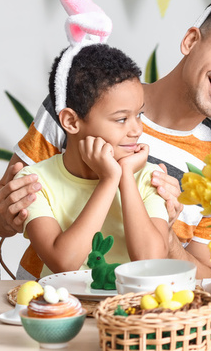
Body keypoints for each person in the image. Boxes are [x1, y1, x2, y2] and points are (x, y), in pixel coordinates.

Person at [0, 0, 211, 278]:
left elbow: (209, 278)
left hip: (140, 322)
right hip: (41, 308)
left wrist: (165, 235)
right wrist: (9, 213)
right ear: (191, 41)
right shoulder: (85, 102)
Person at [19, 39, 169, 277]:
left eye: (139, 114)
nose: (136, 130)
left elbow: (151, 261)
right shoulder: (35, 181)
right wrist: (109, 181)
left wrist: (126, 177)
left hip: (129, 312)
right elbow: (64, 263)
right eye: (121, 119)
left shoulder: (149, 177)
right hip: (63, 310)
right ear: (71, 121)